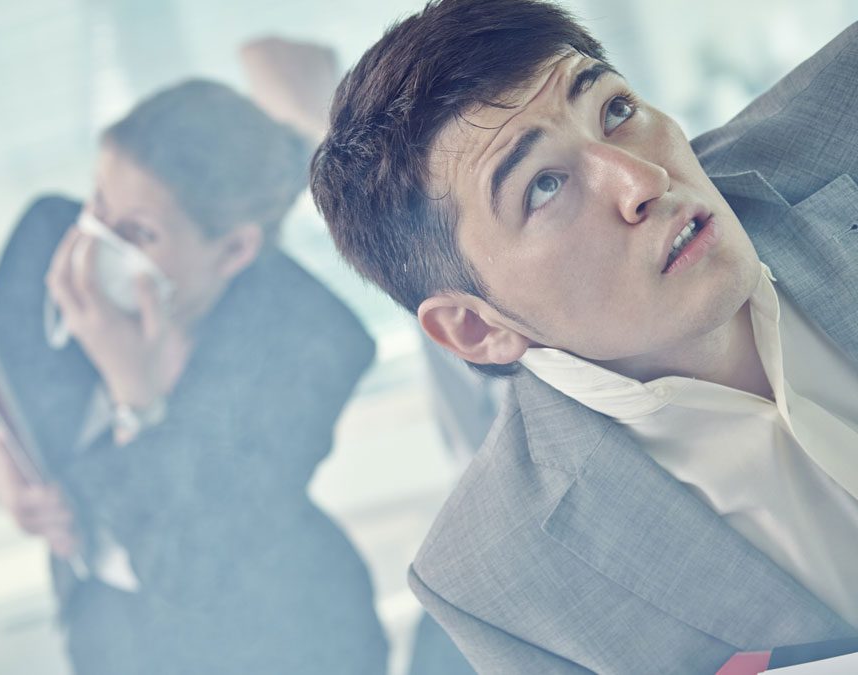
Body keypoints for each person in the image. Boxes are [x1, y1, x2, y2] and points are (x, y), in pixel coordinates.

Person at [310, 0, 858, 672]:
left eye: (616, 111)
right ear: (477, 326)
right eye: (543, 186)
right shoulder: (497, 581)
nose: (643, 181)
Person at [0, 79, 388, 675]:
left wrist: (136, 398)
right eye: (98, 204)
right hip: (104, 626)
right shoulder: (48, 240)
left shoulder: (311, 342)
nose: (97, 243)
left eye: (140, 233)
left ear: (233, 251)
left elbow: (190, 566)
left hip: (279, 639)